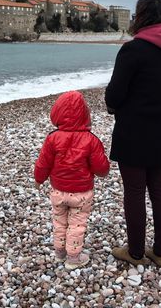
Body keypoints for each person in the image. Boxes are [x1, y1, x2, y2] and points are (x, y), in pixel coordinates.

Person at [105, 0, 161, 268]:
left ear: (141, 17)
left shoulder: (134, 49)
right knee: (160, 190)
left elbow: (114, 95)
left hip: (133, 131)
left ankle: (135, 252)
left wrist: (115, 106)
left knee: (134, 191)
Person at [34, 91, 110, 269]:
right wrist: (104, 171)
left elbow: (43, 163)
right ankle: (73, 258)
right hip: (82, 193)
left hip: (58, 191)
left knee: (59, 222)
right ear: (85, 114)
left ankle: (60, 253)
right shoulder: (91, 140)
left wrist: (38, 179)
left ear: (57, 113)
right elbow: (101, 168)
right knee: (77, 224)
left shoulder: (52, 138)